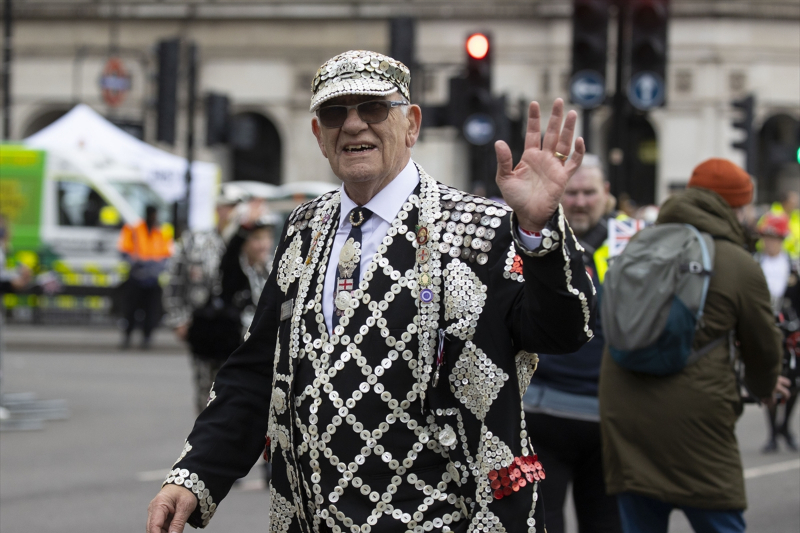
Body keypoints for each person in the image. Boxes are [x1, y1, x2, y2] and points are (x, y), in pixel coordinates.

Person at [147, 50, 595, 533]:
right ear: (319, 135)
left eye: (374, 108)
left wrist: (540, 231)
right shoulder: (303, 228)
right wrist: (196, 474)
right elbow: (260, 370)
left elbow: (564, 330)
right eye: (336, 113)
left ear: (411, 123)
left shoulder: (480, 230)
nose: (354, 125)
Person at [599, 158, 791, 533]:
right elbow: (764, 346)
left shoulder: (640, 242)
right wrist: (765, 386)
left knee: (640, 519)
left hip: (622, 406)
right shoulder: (737, 261)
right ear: (735, 206)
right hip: (695, 419)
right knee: (720, 518)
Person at [523, 155, 620, 533]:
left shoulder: (631, 243)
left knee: (606, 523)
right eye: (572, 193)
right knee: (544, 523)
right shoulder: (536, 241)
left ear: (606, 194)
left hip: (608, 416)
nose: (580, 201)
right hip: (544, 414)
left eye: (589, 192)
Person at [163, 186, 245, 414]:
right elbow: (174, 282)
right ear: (218, 209)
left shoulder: (247, 243)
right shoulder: (196, 241)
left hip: (238, 330)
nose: (232, 213)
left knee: (237, 394)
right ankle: (204, 442)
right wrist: (178, 319)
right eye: (228, 206)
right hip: (205, 329)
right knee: (205, 391)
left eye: (236, 207)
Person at [754, 212, 799, 453]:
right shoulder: (753, 263)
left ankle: (785, 427)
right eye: (767, 237)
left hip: (791, 333)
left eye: (775, 238)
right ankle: (772, 433)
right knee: (769, 380)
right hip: (764, 331)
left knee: (794, 383)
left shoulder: (794, 266)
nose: (771, 242)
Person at [118, 205, 173, 350]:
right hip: (136, 276)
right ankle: (127, 336)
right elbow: (124, 251)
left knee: (151, 311)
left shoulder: (161, 232)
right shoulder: (134, 230)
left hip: (153, 279)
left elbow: (166, 255)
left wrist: (154, 268)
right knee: (130, 310)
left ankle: (147, 338)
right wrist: (137, 264)